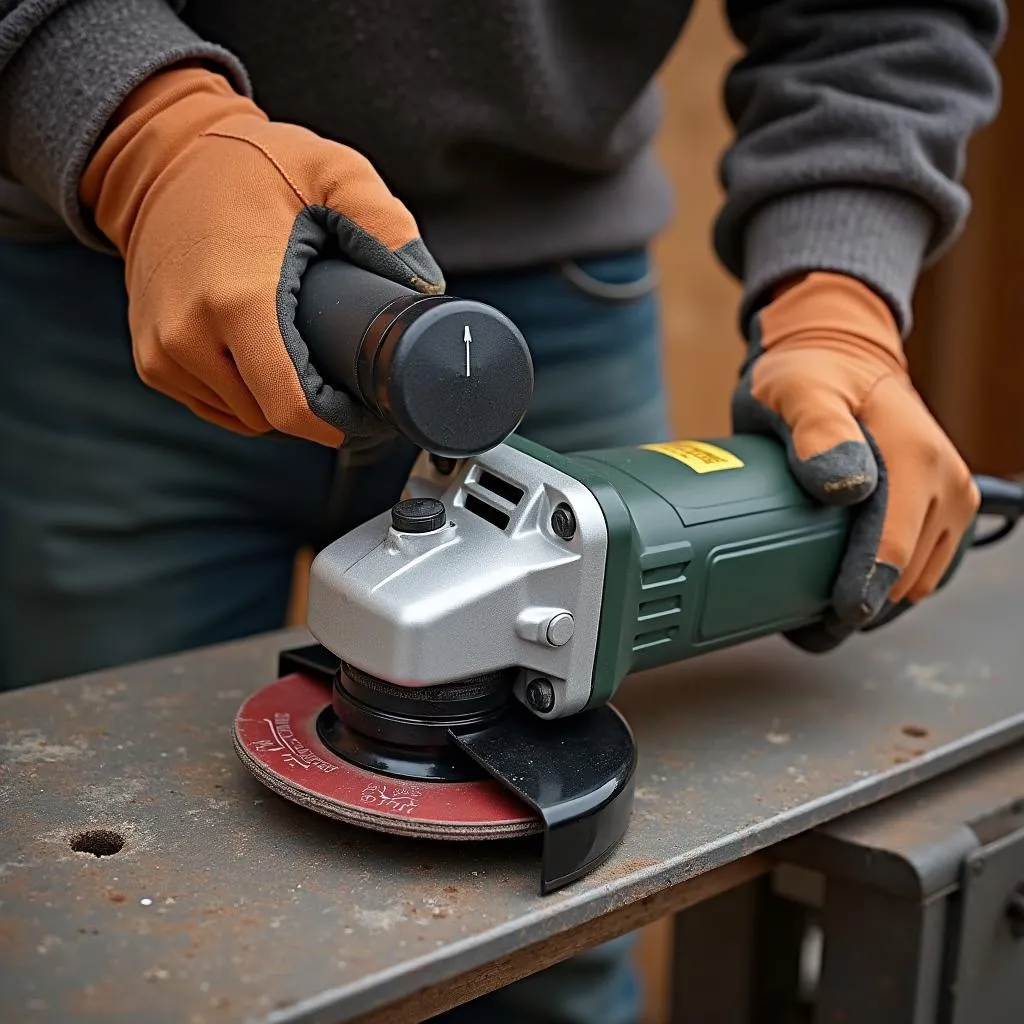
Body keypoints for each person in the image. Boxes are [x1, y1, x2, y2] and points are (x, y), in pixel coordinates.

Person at [0, 1, 1005, 1021]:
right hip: (123, 261)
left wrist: (837, 304)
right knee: (105, 914)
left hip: (553, 280)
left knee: (552, 963)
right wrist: (146, 137)